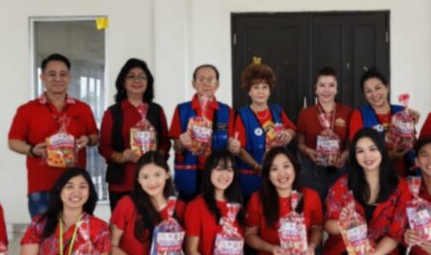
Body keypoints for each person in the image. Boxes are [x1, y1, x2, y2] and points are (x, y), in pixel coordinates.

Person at [321, 128, 411, 255]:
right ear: (354, 156)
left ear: (382, 150)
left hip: (381, 253)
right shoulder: (342, 184)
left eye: (372, 149)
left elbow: (396, 233)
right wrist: (343, 224)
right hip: (340, 254)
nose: (367, 156)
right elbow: (328, 224)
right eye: (360, 151)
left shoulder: (401, 187)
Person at [8, 53, 99, 217]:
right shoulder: (27, 110)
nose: (58, 78)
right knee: (44, 236)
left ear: (69, 78)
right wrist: (32, 150)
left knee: (78, 236)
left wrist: (88, 140)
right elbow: (13, 141)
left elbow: (95, 137)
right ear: (42, 77)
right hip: (42, 185)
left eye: (63, 74)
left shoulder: (82, 108)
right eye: (52, 74)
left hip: (76, 185)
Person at [99, 58, 170, 211]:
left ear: (148, 82)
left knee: (153, 226)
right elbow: (104, 147)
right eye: (131, 76)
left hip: (153, 183)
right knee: (122, 228)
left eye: (141, 76)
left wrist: (157, 155)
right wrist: (120, 156)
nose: (136, 80)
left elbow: (165, 142)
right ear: (123, 82)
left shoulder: (156, 111)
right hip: (122, 182)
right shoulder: (113, 112)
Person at [170, 64, 241, 201]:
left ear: (217, 84)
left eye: (210, 79)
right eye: (201, 79)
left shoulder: (226, 111)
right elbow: (176, 146)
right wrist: (181, 143)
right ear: (193, 84)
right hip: (190, 173)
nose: (206, 83)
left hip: (218, 174)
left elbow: (231, 145)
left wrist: (234, 147)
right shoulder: (182, 110)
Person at [235, 60, 297, 200]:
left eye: (265, 87)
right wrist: (257, 167)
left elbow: (293, 129)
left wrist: (289, 134)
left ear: (270, 90)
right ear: (248, 90)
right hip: (251, 177)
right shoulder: (242, 115)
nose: (261, 91)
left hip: (278, 177)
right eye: (256, 87)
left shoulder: (277, 110)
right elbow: (239, 150)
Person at [348, 68, 419, 177]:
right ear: (364, 94)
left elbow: (413, 143)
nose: (374, 94)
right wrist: (387, 156)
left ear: (387, 87)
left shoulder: (401, 111)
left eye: (378, 88)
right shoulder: (359, 115)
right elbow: (356, 150)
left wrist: (411, 125)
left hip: (406, 172)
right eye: (368, 91)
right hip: (374, 176)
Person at [296, 67, 354, 201]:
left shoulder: (348, 112)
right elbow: (299, 143)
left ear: (337, 88)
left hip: (340, 170)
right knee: (312, 209)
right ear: (316, 88)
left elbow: (351, 143)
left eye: (331, 85)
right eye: (322, 85)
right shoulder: (306, 113)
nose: (326, 90)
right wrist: (308, 151)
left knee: (338, 211)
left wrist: (344, 156)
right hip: (311, 171)